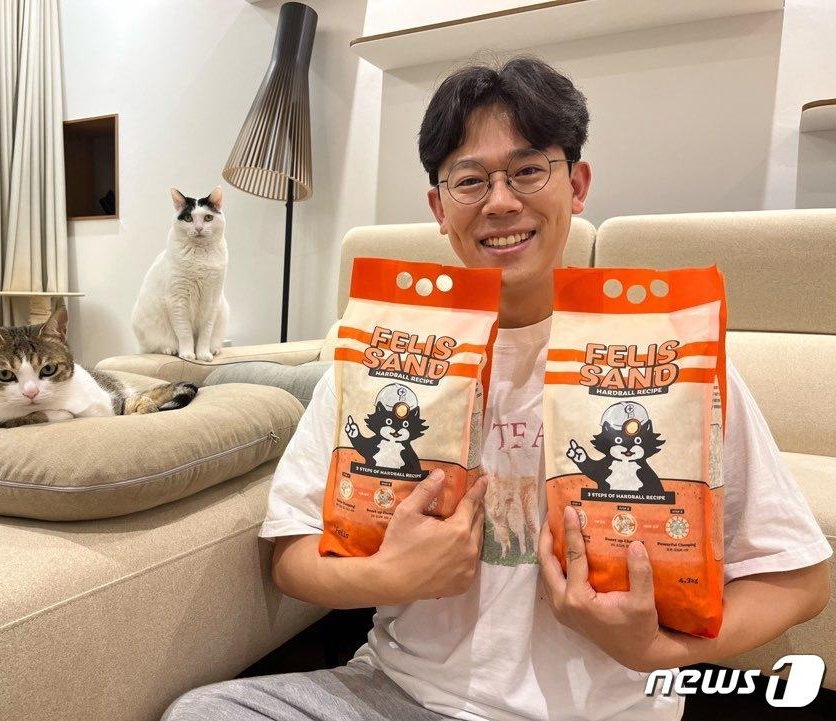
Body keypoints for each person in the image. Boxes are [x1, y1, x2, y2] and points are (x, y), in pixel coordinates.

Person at [162, 56, 831, 721]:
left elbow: (800, 581)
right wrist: (385, 576)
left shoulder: (674, 359)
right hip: (397, 693)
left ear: (577, 185)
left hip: (597, 712)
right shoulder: (376, 354)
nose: (501, 201)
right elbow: (290, 552)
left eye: (529, 169)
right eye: (470, 180)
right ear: (439, 207)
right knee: (201, 713)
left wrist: (657, 649)